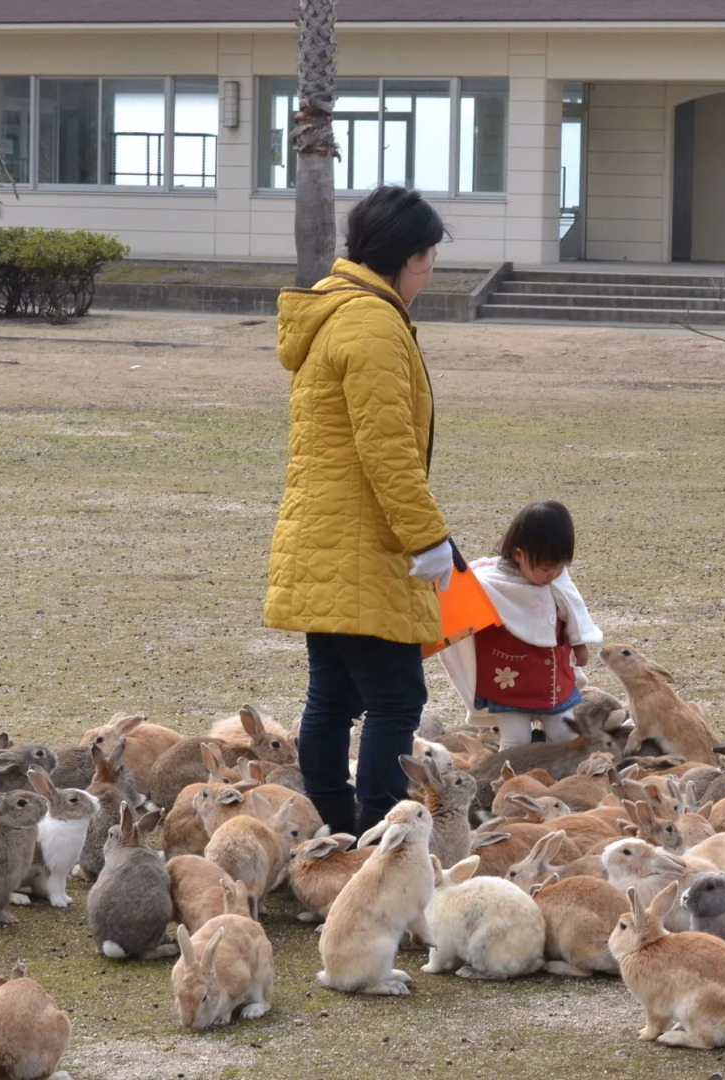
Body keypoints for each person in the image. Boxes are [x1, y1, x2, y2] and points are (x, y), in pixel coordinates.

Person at [263, 185, 452, 837]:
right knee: (396, 699)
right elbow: (387, 449)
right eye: (428, 258)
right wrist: (427, 538)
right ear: (407, 257)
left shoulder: (340, 310)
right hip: (363, 544)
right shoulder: (371, 324)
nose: (429, 272)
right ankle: (377, 837)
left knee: (334, 697)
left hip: (327, 540)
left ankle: (328, 829)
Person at [441, 501, 602, 750]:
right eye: (546, 568)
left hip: (550, 680)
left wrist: (579, 642)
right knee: (516, 740)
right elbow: (460, 600)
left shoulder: (558, 580)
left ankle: (565, 775)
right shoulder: (490, 583)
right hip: (509, 682)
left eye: (560, 567)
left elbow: (573, 609)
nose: (553, 575)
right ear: (518, 555)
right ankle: (509, 781)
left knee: (564, 732)